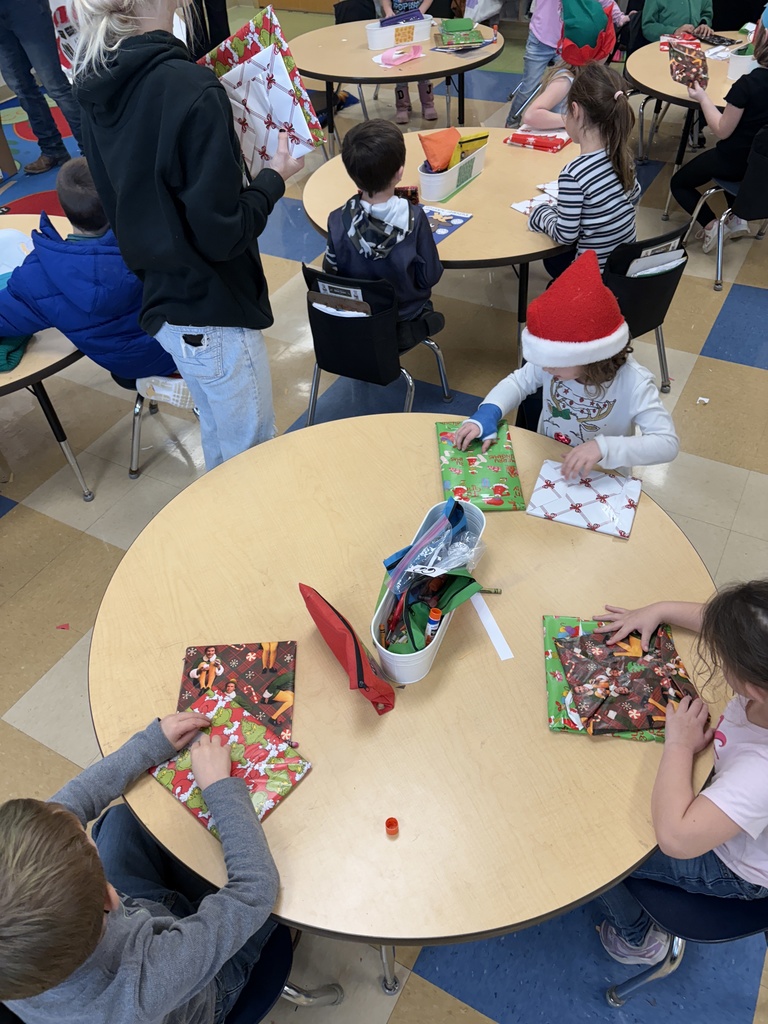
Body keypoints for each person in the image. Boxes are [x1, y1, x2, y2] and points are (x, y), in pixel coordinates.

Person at [69, 0, 304, 472]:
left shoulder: (94, 82)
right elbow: (223, 235)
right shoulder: (190, 87)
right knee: (251, 460)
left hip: (164, 304)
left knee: (220, 442)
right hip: (213, 308)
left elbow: (126, 198)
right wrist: (272, 180)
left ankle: (218, 536)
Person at [0, 711, 280, 1021]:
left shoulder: (14, 966)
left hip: (137, 926)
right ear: (109, 898)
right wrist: (220, 787)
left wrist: (148, 746)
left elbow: (63, 812)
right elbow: (254, 890)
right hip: (203, 987)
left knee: (120, 823)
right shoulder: (148, 981)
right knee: (277, 866)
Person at [595, 580, 768, 967]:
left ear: (754, 688)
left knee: (597, 854)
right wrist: (659, 609)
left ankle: (637, 940)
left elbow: (677, 839)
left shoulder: (760, 772)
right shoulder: (763, 683)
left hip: (731, 865)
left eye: (725, 659)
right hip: (732, 805)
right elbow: (739, 625)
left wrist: (678, 746)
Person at [454, 250, 679, 480]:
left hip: (603, 476)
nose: (545, 368)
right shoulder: (552, 365)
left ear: (589, 357)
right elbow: (518, 382)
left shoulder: (635, 383)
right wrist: (490, 410)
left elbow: (667, 443)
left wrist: (603, 448)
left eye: (553, 362)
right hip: (551, 461)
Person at [0, 158, 186, 400]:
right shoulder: (152, 241)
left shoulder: (36, 275)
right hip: (183, 348)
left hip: (128, 368)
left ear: (64, 208)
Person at [323, 119, 443, 338]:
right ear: (399, 173)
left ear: (353, 176)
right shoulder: (414, 218)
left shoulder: (336, 219)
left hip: (357, 317)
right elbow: (430, 276)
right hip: (405, 316)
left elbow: (331, 271)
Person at [528, 62, 641, 278]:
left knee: (552, 258)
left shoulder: (574, 173)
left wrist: (540, 214)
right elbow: (634, 196)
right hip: (621, 268)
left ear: (575, 111)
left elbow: (565, 235)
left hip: (591, 278)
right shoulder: (621, 155)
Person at [670, 11, 768, 252]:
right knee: (742, 162)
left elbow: (723, 130)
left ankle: (712, 226)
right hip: (760, 166)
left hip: (733, 161)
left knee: (678, 183)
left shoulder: (747, 85)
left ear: (760, 37)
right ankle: (737, 219)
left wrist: (703, 98)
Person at [504, 0, 629, 129]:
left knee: (564, 95)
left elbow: (605, 1)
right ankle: (511, 122)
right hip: (541, 38)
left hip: (569, 44)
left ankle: (553, 129)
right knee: (529, 86)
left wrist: (619, 17)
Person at [0, 0, 83, 174]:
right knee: (21, 88)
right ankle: (52, 150)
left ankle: (90, 150)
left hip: (24, 7)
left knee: (55, 85)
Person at [380, 0, 437, 123]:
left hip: (418, 30)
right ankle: (402, 107)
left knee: (422, 70)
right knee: (400, 71)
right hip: (398, 32)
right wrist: (388, 11)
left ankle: (428, 104)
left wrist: (420, 12)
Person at [641, 0, 713, 42]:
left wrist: (703, 25)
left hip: (698, 47)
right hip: (665, 51)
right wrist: (673, 32)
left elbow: (706, 14)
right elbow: (647, 27)